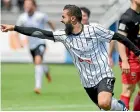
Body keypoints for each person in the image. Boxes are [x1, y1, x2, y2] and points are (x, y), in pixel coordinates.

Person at [1, 4, 140, 111]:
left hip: (103, 75)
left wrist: (137, 52)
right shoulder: (63, 36)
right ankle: (119, 106)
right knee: (105, 106)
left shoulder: (94, 30)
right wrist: (14, 28)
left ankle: (121, 108)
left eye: (63, 17)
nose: (61, 20)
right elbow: (39, 33)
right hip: (87, 81)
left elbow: (119, 36)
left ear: (72, 18)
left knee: (104, 103)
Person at [13, 0, 55, 94]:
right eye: (25, 5)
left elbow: (49, 22)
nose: (26, 6)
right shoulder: (22, 17)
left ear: (34, 6)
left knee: (37, 61)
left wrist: (54, 33)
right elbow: (16, 30)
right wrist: (19, 42)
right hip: (31, 45)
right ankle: (46, 71)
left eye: (28, 4)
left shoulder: (40, 15)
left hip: (41, 42)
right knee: (39, 63)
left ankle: (37, 87)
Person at [116, 0, 140, 110]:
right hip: (131, 59)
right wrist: (125, 61)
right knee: (128, 89)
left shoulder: (138, 15)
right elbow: (120, 40)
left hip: (138, 58)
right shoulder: (127, 17)